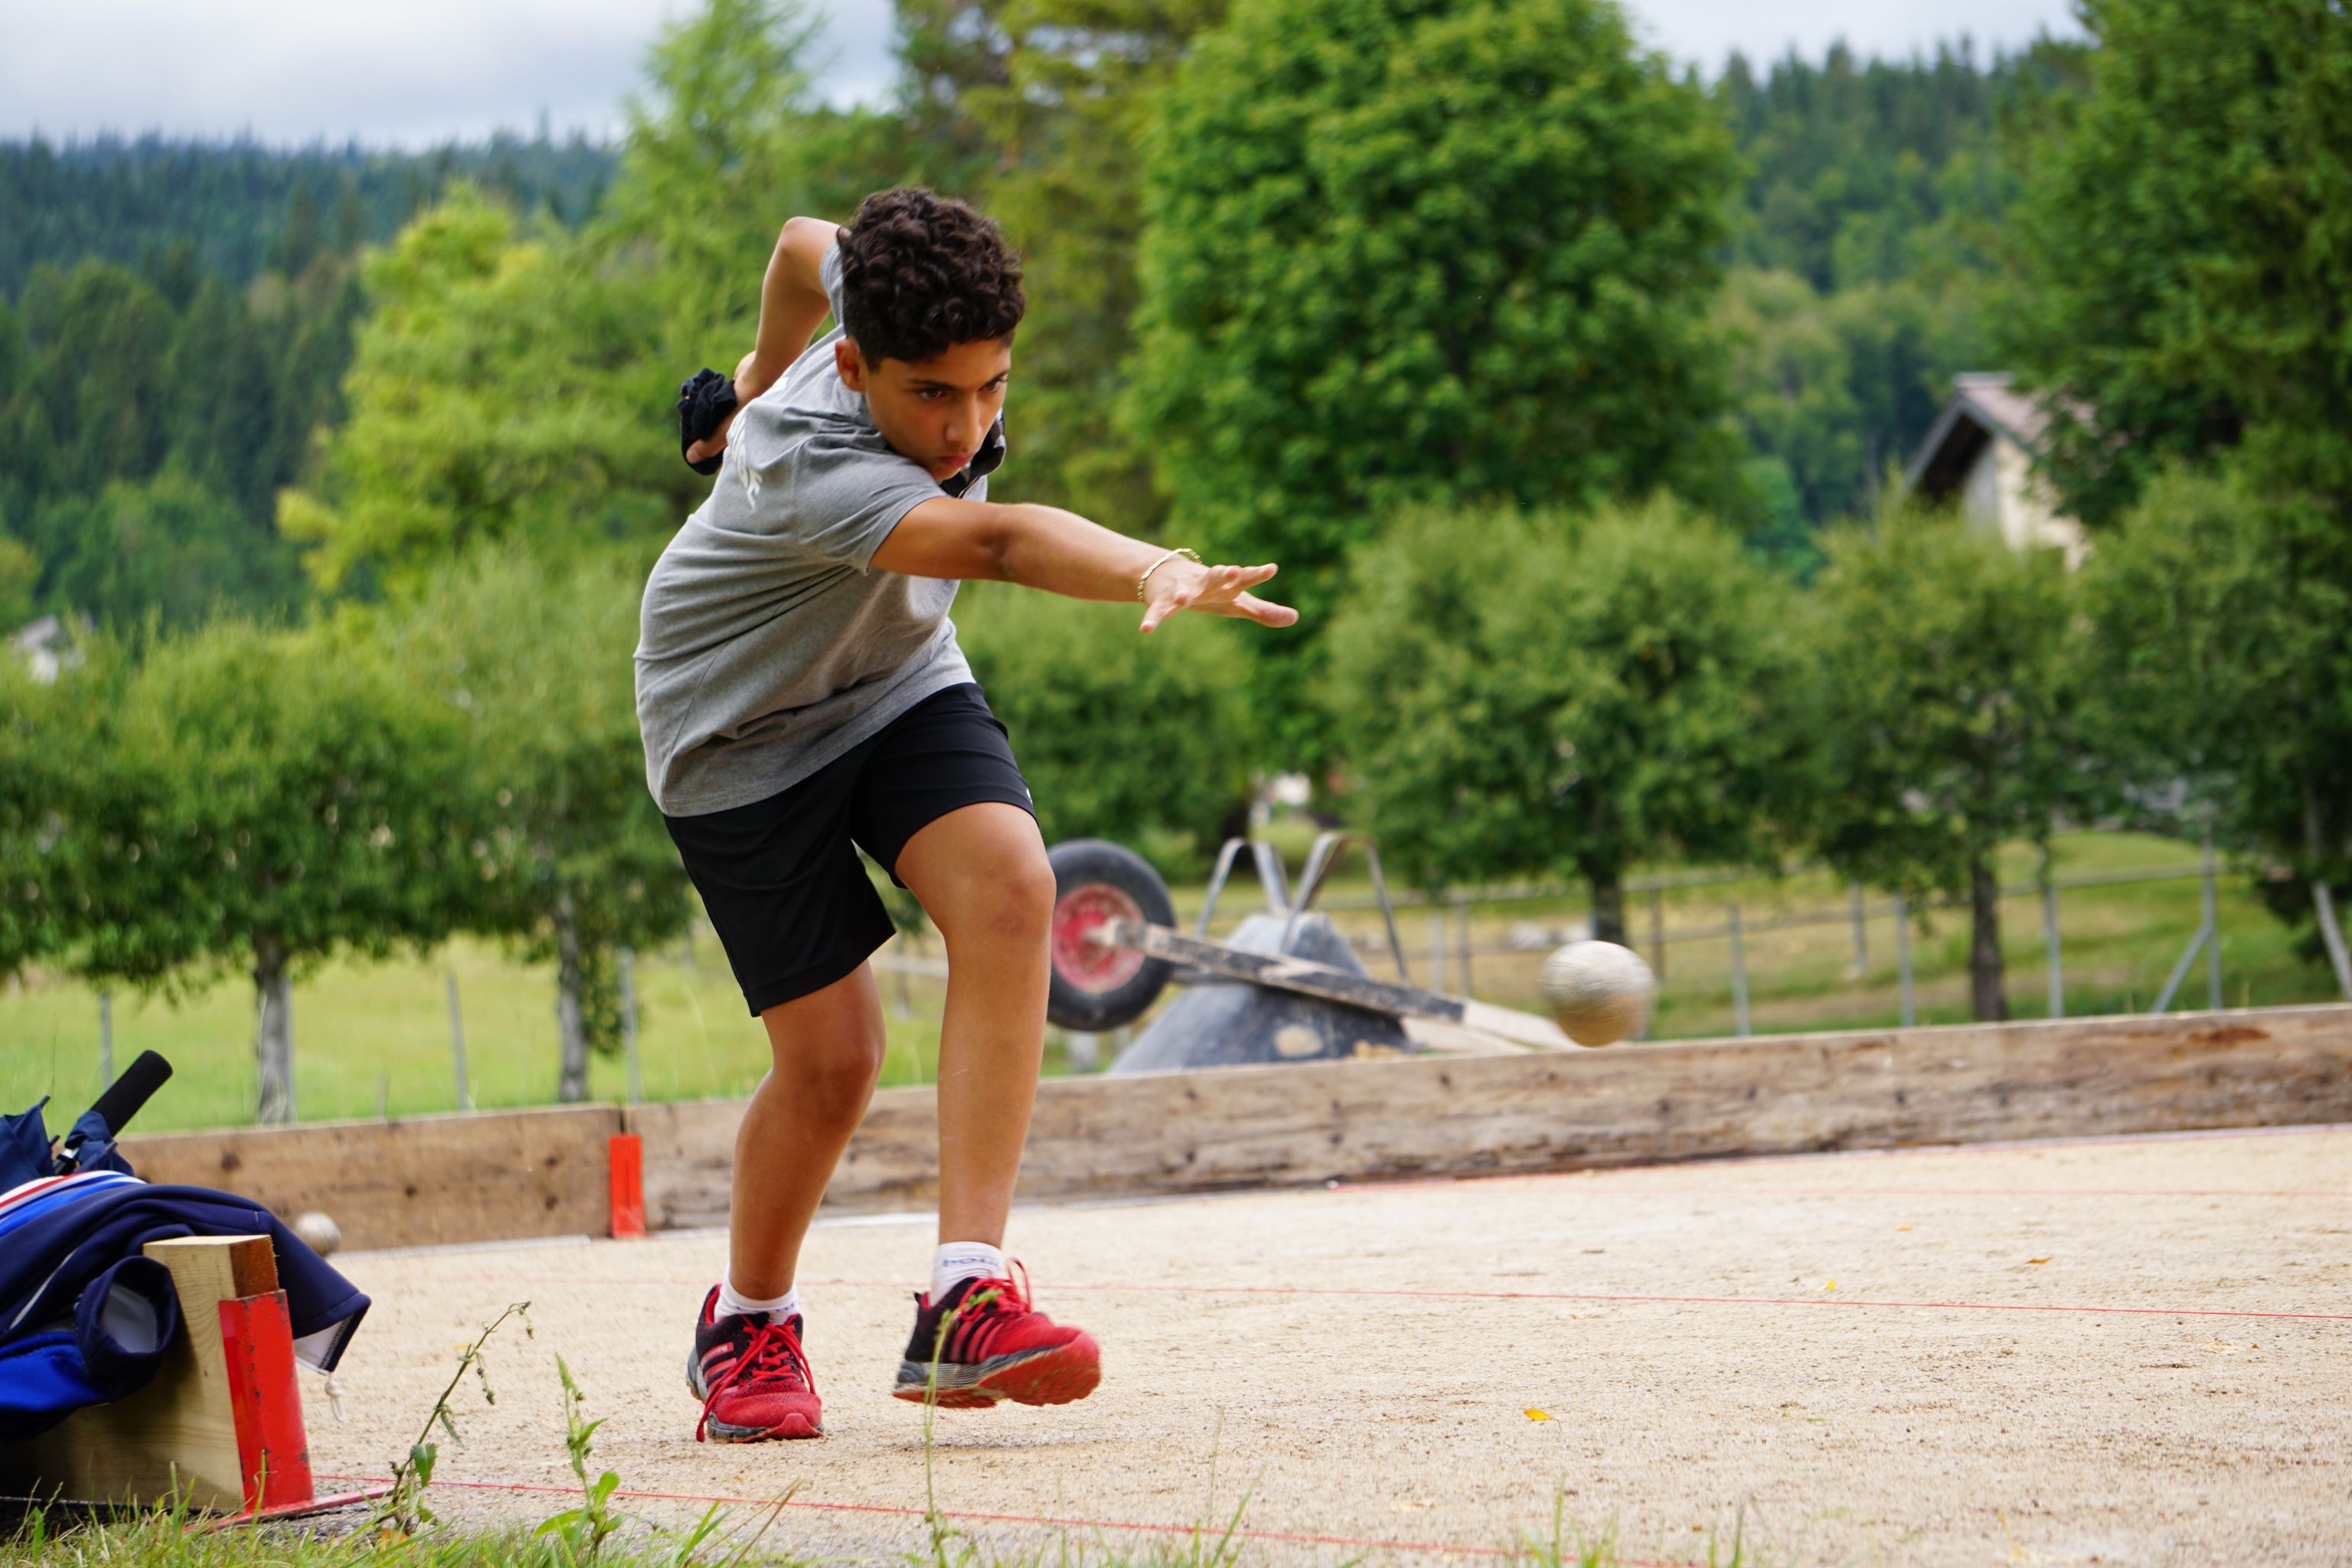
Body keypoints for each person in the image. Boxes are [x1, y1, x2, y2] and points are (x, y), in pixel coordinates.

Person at [635, 188, 1296, 1442]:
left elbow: (797, 244)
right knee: (835, 1063)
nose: (967, 426)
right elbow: (998, 545)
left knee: (1012, 885)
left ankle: (966, 1296)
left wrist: (747, 379)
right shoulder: (806, 462)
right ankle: (749, 1321)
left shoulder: (885, 298)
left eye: (992, 387)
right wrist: (1152, 566)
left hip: (891, 678)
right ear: (855, 367)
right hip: (735, 729)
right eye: (932, 396)